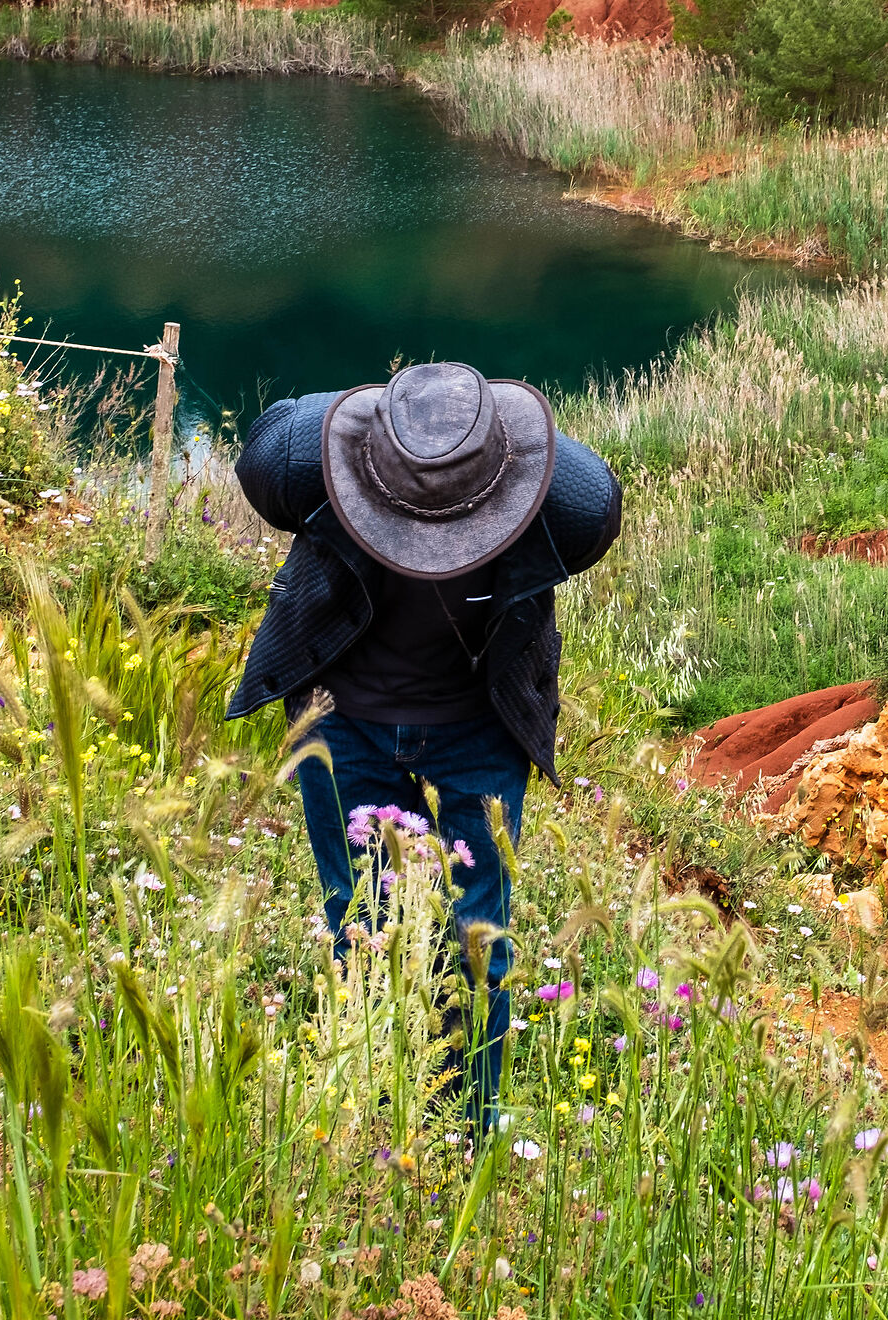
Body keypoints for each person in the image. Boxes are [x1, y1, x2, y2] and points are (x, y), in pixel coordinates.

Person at [227, 360, 621, 1121]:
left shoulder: (562, 498)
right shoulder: (311, 458)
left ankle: (469, 1120)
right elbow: (263, 457)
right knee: (361, 917)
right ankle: (376, 1117)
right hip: (342, 726)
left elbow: (591, 515)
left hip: (480, 730)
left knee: (478, 936)